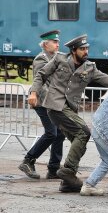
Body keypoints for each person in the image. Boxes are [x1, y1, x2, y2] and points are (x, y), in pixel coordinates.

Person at [28, 34, 108, 192]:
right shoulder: (60, 59)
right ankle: (68, 171)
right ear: (74, 50)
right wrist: (33, 93)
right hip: (55, 105)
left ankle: (66, 183)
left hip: (69, 109)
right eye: (82, 49)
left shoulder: (90, 67)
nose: (86, 51)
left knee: (80, 143)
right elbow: (41, 75)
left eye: (87, 48)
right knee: (84, 132)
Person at [18, 30, 65, 180]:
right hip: (43, 102)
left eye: (58, 42)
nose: (58, 44)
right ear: (46, 44)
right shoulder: (41, 59)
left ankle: (53, 169)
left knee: (60, 133)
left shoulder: (57, 57)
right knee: (51, 133)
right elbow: (41, 83)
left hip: (54, 102)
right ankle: (28, 160)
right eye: (54, 42)